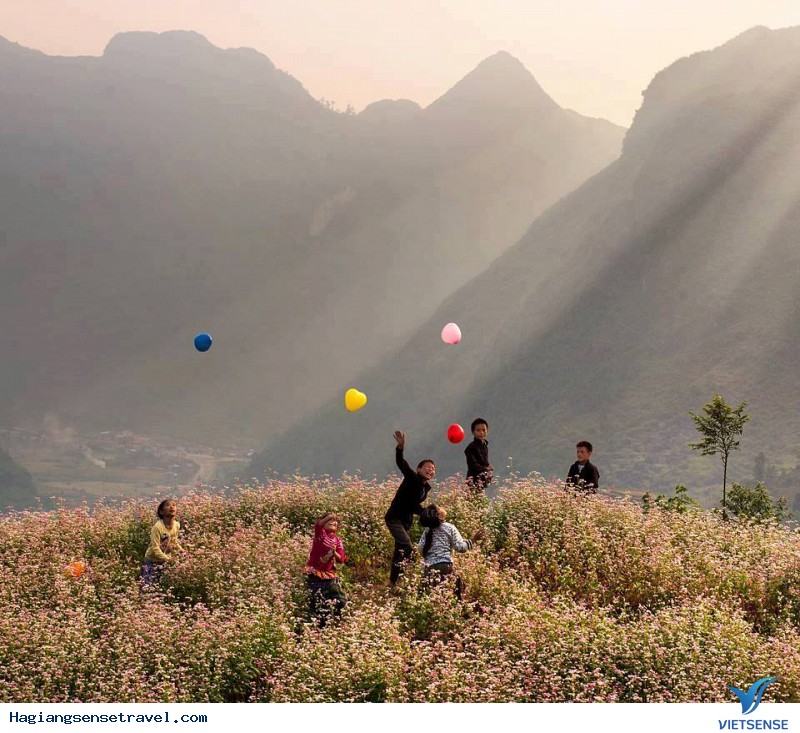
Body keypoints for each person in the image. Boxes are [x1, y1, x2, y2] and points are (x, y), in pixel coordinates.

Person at [385, 430, 434, 591]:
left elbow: (415, 506)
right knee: (407, 546)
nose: (430, 470)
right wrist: (400, 448)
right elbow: (401, 463)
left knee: (399, 552)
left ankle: (393, 585)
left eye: (433, 469)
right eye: (427, 467)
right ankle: (401, 580)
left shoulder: (425, 489)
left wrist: (430, 514)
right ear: (419, 469)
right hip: (394, 518)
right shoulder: (412, 477)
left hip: (405, 522)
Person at [418, 504, 483, 599]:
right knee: (457, 594)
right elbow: (460, 547)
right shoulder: (449, 527)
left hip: (428, 568)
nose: (442, 508)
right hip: (445, 566)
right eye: (439, 508)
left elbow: (420, 547)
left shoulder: (427, 531)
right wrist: (473, 540)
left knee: (430, 598)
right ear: (439, 515)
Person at [304, 512, 346, 627]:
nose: (333, 522)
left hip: (329, 574)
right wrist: (330, 516)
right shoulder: (321, 535)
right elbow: (318, 525)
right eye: (329, 521)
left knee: (340, 600)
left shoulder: (337, 540)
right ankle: (320, 628)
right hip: (315, 574)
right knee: (319, 604)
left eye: (335, 521)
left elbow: (341, 559)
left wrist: (334, 553)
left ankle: (337, 622)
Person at [141, 498, 184, 584]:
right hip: (151, 561)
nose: (171, 507)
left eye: (174, 505)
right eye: (167, 505)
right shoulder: (157, 527)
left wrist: (182, 552)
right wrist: (169, 560)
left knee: (163, 584)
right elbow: (155, 548)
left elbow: (174, 542)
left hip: (165, 560)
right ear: (161, 512)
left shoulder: (176, 525)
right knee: (148, 585)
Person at [464, 417, 493, 492]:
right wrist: (486, 469)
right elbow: (473, 466)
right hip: (473, 481)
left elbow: (485, 463)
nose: (481, 432)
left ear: (487, 431)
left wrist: (488, 473)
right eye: (478, 430)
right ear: (473, 432)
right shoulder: (471, 448)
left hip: (482, 481)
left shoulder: (485, 445)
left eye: (484, 430)